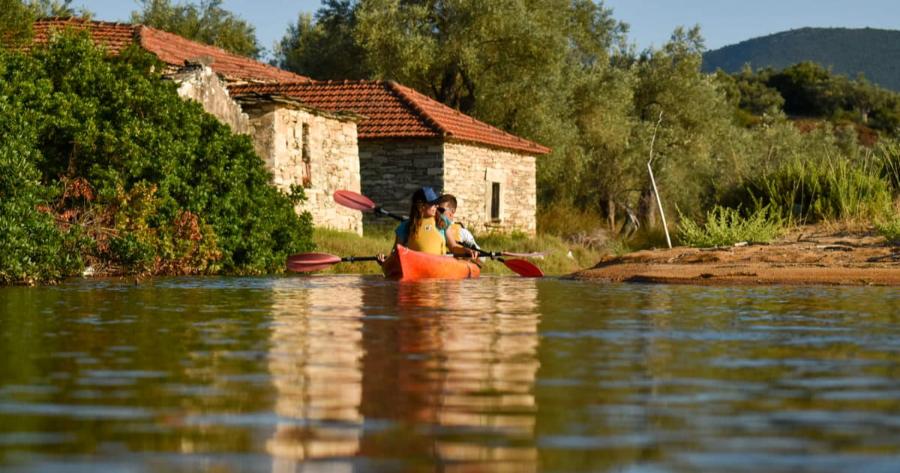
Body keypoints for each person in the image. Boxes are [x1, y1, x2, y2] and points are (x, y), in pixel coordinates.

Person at [384, 187, 477, 258]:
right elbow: (395, 254)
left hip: (438, 264)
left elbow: (453, 247)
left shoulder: (443, 223)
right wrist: (384, 261)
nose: (436, 206)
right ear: (421, 206)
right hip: (414, 264)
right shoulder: (405, 227)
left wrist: (465, 250)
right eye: (433, 203)